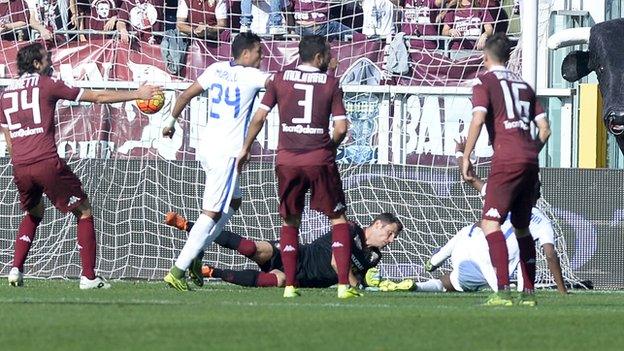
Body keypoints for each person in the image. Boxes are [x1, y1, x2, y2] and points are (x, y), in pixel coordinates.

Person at [0, 42, 160, 289]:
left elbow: (8, 137)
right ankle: (88, 276)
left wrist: (20, 160)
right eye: (47, 58)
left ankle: (15, 269)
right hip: (45, 161)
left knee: (34, 211)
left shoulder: (6, 93)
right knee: (83, 210)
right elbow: (97, 97)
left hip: (20, 165)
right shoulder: (47, 84)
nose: (51, 62)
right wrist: (138, 94)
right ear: (36, 64)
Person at [238, 35, 355, 299]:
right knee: (337, 218)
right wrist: (330, 147)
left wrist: (245, 148)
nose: (329, 59)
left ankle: (290, 286)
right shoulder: (331, 83)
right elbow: (341, 127)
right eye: (327, 54)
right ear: (318, 57)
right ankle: (343, 287)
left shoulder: (279, 79)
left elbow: (259, 117)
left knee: (290, 221)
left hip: (287, 160)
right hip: (318, 158)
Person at [160, 32, 269, 292]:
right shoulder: (253, 76)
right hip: (228, 152)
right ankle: (178, 270)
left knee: (234, 201)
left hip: (206, 146)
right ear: (245, 54)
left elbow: (185, 95)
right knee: (211, 211)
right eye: (258, 52)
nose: (261, 57)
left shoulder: (215, 69)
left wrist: (170, 122)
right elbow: (281, 84)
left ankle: (198, 250)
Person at [461, 33, 551, 306]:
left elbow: (478, 119)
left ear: (485, 56)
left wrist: (466, 155)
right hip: (530, 159)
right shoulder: (525, 85)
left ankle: (503, 291)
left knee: (490, 223)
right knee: (522, 227)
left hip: (506, 157)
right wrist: (528, 154)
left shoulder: (483, 81)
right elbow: (545, 129)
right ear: (508, 56)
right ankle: (529, 295)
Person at [164, 212, 402, 288]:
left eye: (394, 237)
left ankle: (210, 271)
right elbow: (334, 263)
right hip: (296, 255)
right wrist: (353, 283)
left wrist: (367, 283)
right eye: (390, 233)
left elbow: (357, 280)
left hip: (301, 278)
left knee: (274, 281)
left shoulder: (373, 257)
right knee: (252, 248)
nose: (390, 240)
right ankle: (187, 226)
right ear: (378, 224)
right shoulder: (349, 229)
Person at [454, 137, 568, 294]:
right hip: (496, 266)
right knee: (525, 248)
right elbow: (549, 254)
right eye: (537, 185)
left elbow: (470, 176)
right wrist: (563, 291)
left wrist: (460, 153)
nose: (539, 188)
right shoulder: (540, 220)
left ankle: (428, 273)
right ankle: (521, 292)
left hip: (474, 259)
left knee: (452, 278)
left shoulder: (498, 196)